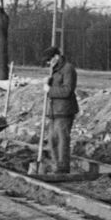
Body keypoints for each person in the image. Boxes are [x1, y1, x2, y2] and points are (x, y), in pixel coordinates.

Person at [41, 46, 79, 174]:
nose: (48, 63)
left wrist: (49, 90)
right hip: (54, 111)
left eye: (49, 60)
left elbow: (67, 90)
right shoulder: (55, 69)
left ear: (56, 57)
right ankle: (56, 165)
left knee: (62, 140)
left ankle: (62, 167)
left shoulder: (68, 69)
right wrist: (49, 82)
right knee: (52, 140)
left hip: (64, 111)